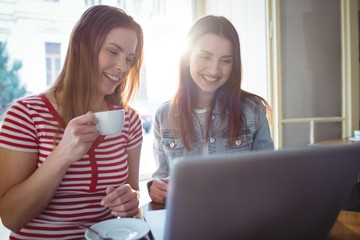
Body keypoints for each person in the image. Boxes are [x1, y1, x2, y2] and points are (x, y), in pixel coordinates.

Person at [0, 5, 144, 239]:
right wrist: (63, 154)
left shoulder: (129, 120)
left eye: (129, 59)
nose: (122, 67)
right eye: (113, 52)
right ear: (81, 46)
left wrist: (132, 199)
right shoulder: (25, 115)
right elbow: (11, 217)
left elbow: (133, 190)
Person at [148, 15, 274, 204]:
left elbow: (269, 178)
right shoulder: (163, 115)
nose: (214, 70)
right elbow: (161, 178)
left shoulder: (253, 110)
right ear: (187, 58)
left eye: (226, 60)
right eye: (205, 57)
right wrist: (155, 188)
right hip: (188, 220)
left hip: (240, 218)